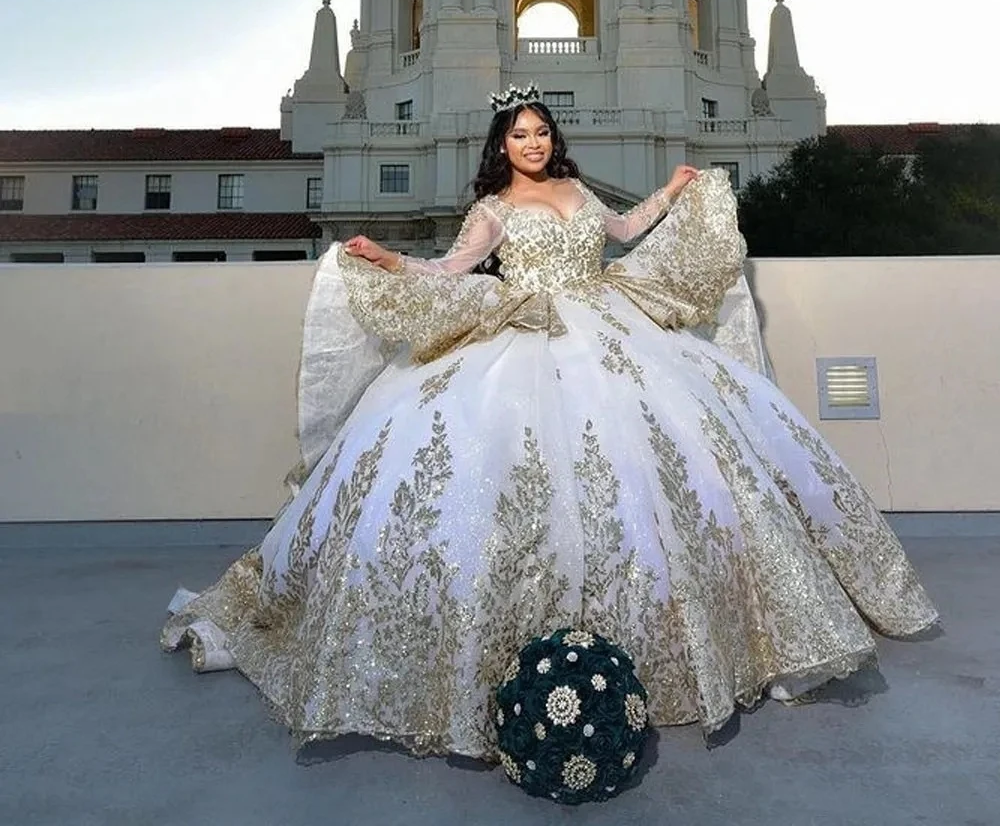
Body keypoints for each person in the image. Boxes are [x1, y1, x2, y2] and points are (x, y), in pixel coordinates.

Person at [162, 84, 937, 761]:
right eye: (518, 135)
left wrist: (673, 190)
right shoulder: (494, 209)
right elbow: (449, 271)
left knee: (656, 472)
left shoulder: (576, 189)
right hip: (522, 337)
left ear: (551, 141)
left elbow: (628, 233)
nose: (531, 144)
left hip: (610, 328)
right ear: (501, 146)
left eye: (539, 133)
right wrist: (390, 260)